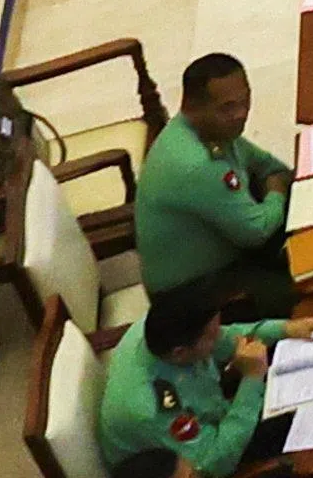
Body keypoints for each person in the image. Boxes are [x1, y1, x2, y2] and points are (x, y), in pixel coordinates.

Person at [129, 56, 289, 312]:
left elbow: (270, 167)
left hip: (225, 252)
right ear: (193, 107)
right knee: (302, 285)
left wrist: (277, 185)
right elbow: (256, 231)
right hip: (192, 298)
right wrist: (277, 191)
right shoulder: (196, 163)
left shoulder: (215, 131)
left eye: (245, 101)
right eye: (227, 107)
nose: (241, 114)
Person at [93, 294, 273, 478]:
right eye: (212, 336)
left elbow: (227, 339)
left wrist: (287, 329)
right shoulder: (155, 408)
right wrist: (252, 379)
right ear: (180, 353)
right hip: (177, 463)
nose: (220, 336)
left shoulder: (161, 329)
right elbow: (214, 462)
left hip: (210, 416)